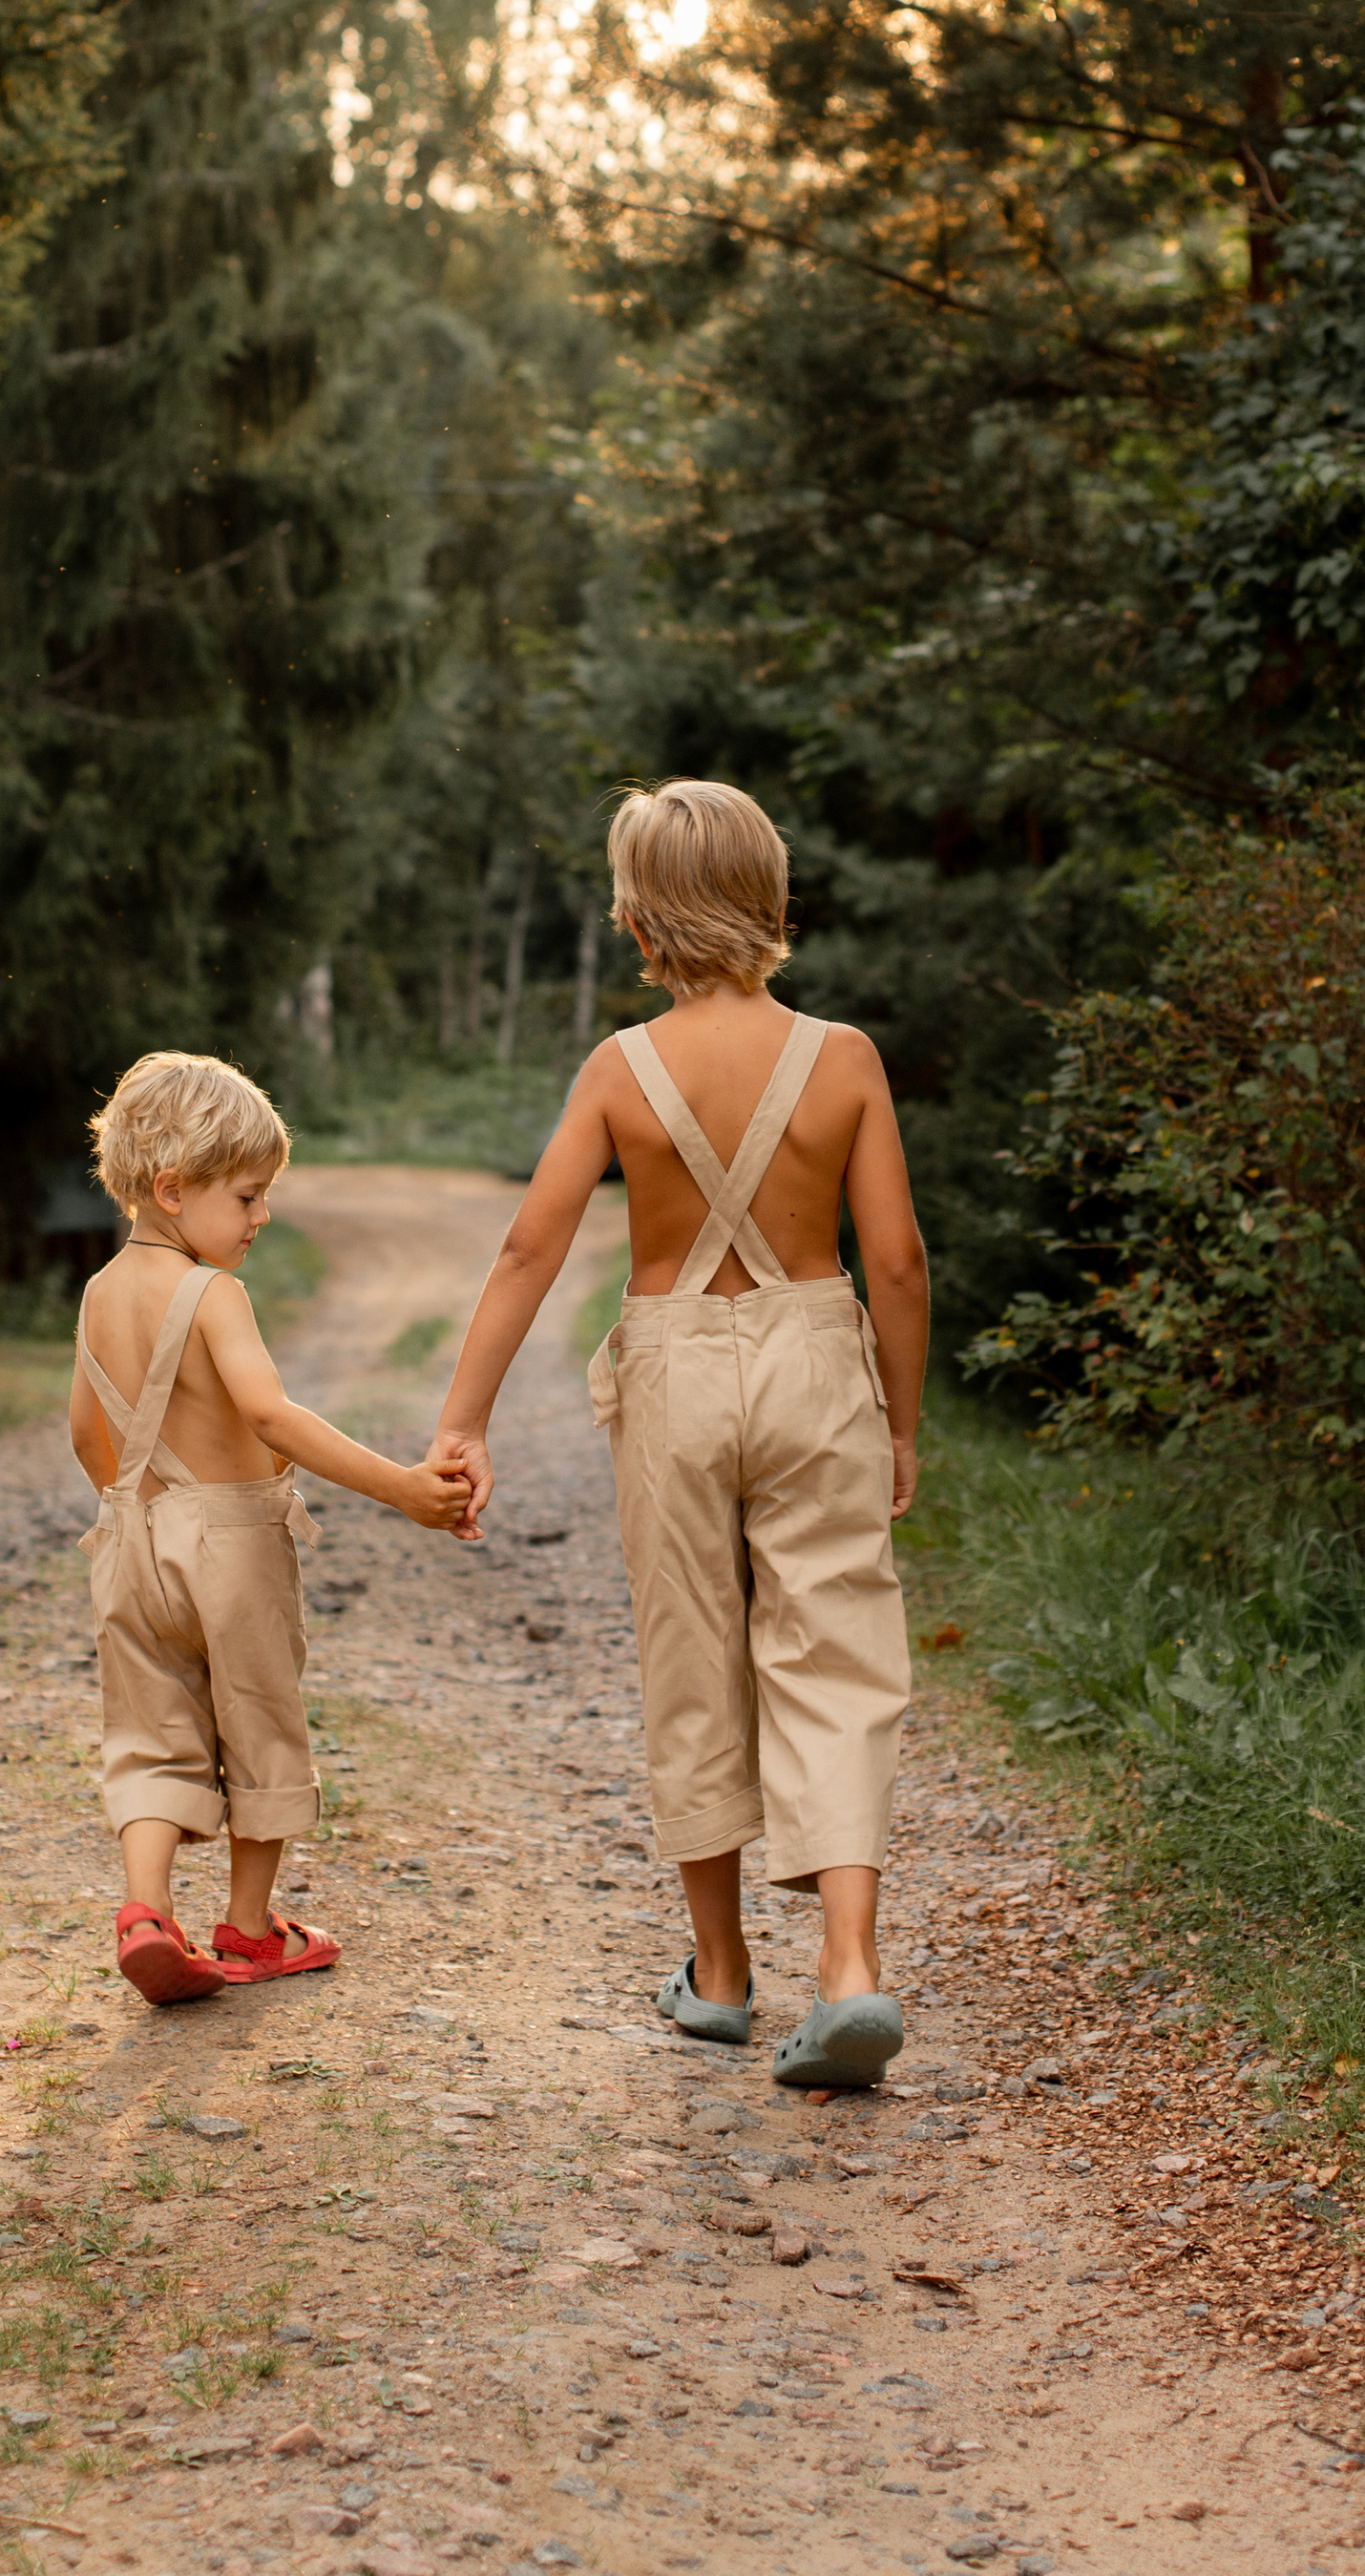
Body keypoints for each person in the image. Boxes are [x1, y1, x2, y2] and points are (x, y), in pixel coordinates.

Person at [430, 781, 929, 2088]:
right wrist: (905, 1420)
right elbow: (898, 1258)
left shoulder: (620, 1069)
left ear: (637, 913)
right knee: (837, 1642)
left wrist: (465, 1418)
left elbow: (531, 1243)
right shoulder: (846, 1059)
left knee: (692, 1648)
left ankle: (718, 1977)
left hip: (672, 1372)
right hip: (818, 1354)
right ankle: (850, 1967)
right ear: (770, 897)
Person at [72, 1048, 479, 2006]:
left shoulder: (97, 1293)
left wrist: (134, 1510)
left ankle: (144, 1910)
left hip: (130, 1535)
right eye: (249, 1197)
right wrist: (405, 1488)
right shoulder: (214, 1293)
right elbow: (270, 1413)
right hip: (231, 1540)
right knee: (258, 1720)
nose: (262, 1217)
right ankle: (249, 1930)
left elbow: (85, 1431)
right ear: (173, 1189)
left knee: (149, 1727)